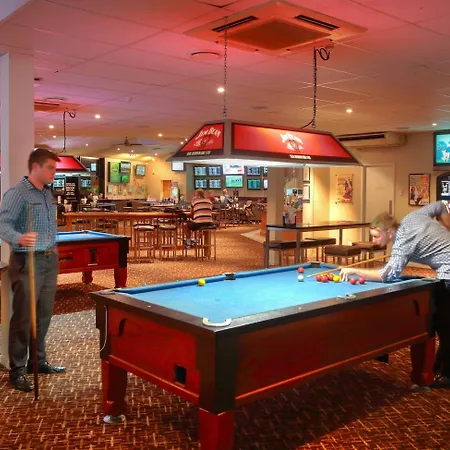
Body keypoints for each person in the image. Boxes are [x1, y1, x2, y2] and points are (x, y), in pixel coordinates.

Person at [339, 201, 450, 387]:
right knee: (441, 320)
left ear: (389, 232)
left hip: (448, 273)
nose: (374, 240)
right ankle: (440, 366)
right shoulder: (411, 217)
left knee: (445, 324)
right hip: (445, 271)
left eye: (376, 236)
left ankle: (447, 375)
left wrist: (355, 271)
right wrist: (447, 227)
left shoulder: (402, 241)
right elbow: (440, 206)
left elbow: (386, 275)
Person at [0, 148, 66, 392]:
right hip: (27, 260)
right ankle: (17, 370)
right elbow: (2, 224)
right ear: (35, 167)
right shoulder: (17, 193)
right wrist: (19, 237)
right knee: (24, 317)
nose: (54, 172)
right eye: (50, 167)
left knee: (44, 315)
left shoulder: (47, 193)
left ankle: (38, 361)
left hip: (48, 259)